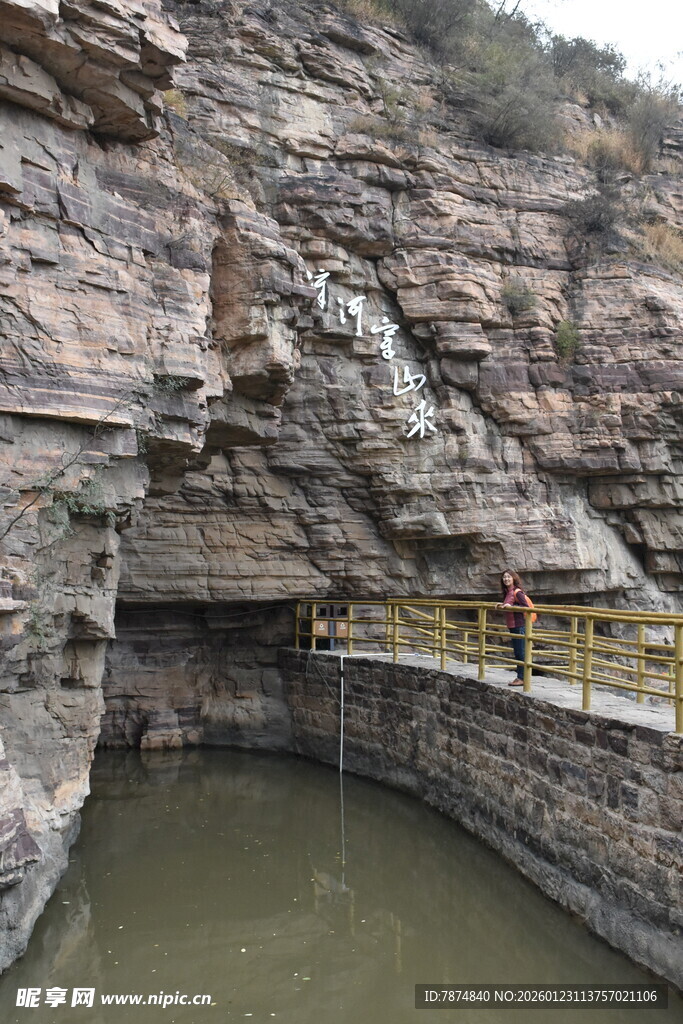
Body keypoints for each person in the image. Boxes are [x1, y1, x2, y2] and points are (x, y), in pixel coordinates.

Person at [497, 569, 532, 686]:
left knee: (520, 653)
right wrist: (501, 605)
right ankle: (521, 677)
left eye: (508, 577)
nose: (506, 579)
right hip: (513, 626)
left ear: (514, 578)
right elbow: (510, 605)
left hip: (519, 625)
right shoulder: (508, 592)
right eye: (504, 577)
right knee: (518, 652)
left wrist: (512, 606)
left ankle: (521, 678)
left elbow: (526, 607)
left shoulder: (517, 592)